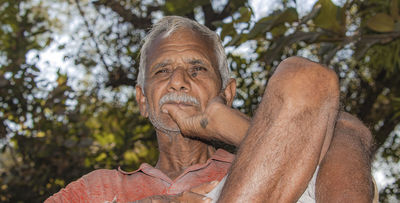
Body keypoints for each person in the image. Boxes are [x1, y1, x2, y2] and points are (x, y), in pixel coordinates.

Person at [46, 16, 374, 203]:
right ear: (142, 100)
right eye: (162, 71)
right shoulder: (97, 189)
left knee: (311, 83)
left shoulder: (272, 166)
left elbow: (346, 133)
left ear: (226, 93)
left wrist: (225, 125)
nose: (178, 81)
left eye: (197, 69)